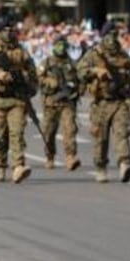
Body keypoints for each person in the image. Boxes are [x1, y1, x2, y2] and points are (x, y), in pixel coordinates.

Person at [0, 18, 38, 183]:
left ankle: (18, 166)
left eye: (11, 29)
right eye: (5, 29)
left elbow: (33, 75)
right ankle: (1, 168)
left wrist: (26, 85)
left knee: (16, 133)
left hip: (17, 99)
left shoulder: (22, 52)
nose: (9, 33)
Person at [77, 21, 130, 183]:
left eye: (114, 34)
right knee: (100, 138)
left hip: (119, 101)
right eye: (109, 34)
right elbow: (80, 71)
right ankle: (100, 167)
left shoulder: (123, 55)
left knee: (122, 133)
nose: (112, 37)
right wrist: (95, 72)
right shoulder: (94, 54)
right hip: (101, 102)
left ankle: (125, 163)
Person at [38, 35, 81, 171]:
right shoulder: (46, 63)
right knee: (48, 133)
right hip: (51, 103)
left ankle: (70, 157)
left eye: (63, 44)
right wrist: (49, 82)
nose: (61, 47)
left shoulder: (72, 64)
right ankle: (50, 156)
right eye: (58, 44)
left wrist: (76, 91)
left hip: (67, 104)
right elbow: (38, 78)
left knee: (69, 130)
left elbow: (81, 80)